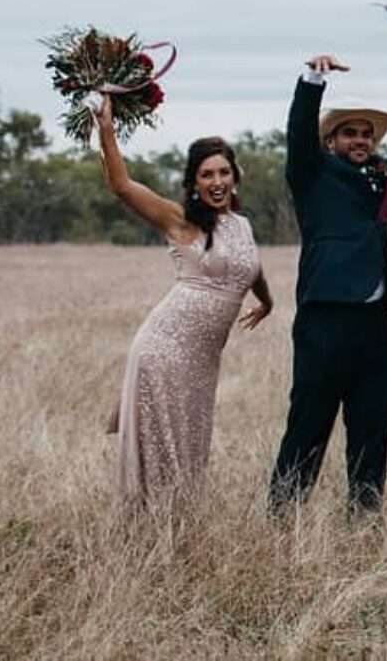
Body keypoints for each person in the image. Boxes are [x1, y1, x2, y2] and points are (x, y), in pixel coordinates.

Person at [269, 55, 387, 514]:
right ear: (331, 140)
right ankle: (284, 515)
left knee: (371, 424)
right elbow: (299, 134)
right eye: (350, 133)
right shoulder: (311, 173)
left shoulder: (380, 179)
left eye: (366, 134)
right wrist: (313, 81)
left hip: (375, 323)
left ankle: (365, 515)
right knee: (309, 421)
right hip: (325, 318)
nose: (361, 140)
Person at [95, 95, 272, 509]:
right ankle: (148, 532)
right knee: (162, 450)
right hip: (165, 347)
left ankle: (177, 528)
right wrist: (106, 129)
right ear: (194, 182)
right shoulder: (181, 221)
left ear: (235, 177)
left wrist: (268, 302)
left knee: (191, 445)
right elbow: (121, 186)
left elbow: (253, 270)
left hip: (203, 359)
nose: (216, 182)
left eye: (224, 173)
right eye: (207, 174)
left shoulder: (242, 226)